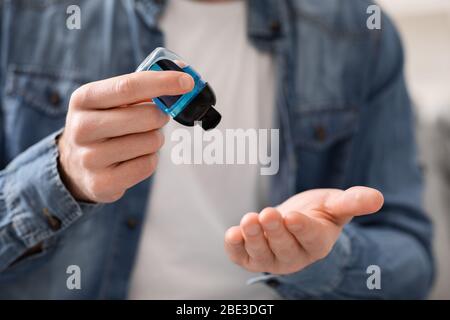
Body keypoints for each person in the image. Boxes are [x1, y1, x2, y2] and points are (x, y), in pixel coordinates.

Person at [0, 0, 433, 299]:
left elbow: (411, 265)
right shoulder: (22, 15)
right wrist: (58, 175)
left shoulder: (362, 32)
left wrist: (325, 258)